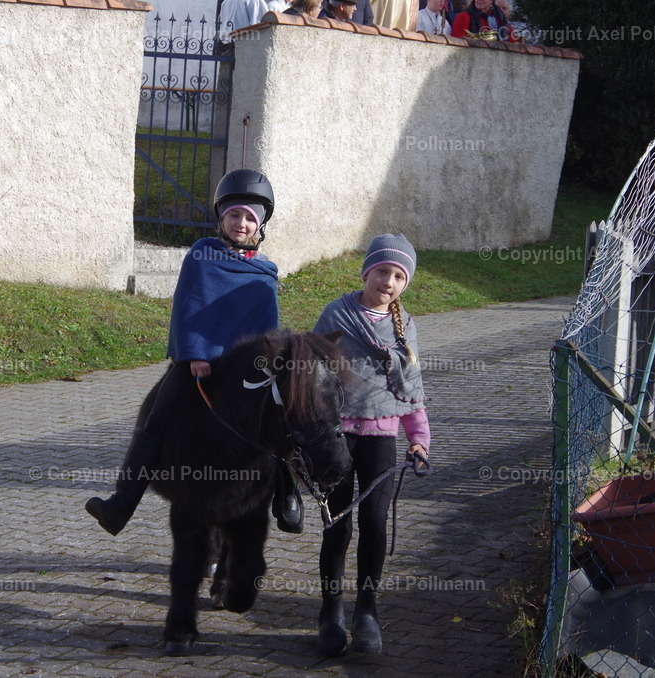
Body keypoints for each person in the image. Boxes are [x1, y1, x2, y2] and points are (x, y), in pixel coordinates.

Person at [85, 169, 306, 536]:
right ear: (221, 217)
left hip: (247, 372)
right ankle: (121, 504)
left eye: (250, 217)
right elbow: (188, 306)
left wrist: (268, 365)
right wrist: (195, 354)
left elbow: (269, 330)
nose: (241, 223)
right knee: (157, 417)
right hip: (197, 365)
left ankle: (287, 497)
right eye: (234, 214)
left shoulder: (265, 271)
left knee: (282, 419)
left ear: (260, 224)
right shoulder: (202, 255)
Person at [312, 234, 431, 655]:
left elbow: (411, 388)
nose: (389, 281)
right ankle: (331, 613)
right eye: (383, 271)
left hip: (381, 437)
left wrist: (419, 440)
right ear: (367, 272)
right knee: (337, 525)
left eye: (399, 275)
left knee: (375, 523)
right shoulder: (338, 314)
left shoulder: (406, 327)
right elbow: (309, 377)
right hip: (336, 436)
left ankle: (367, 611)